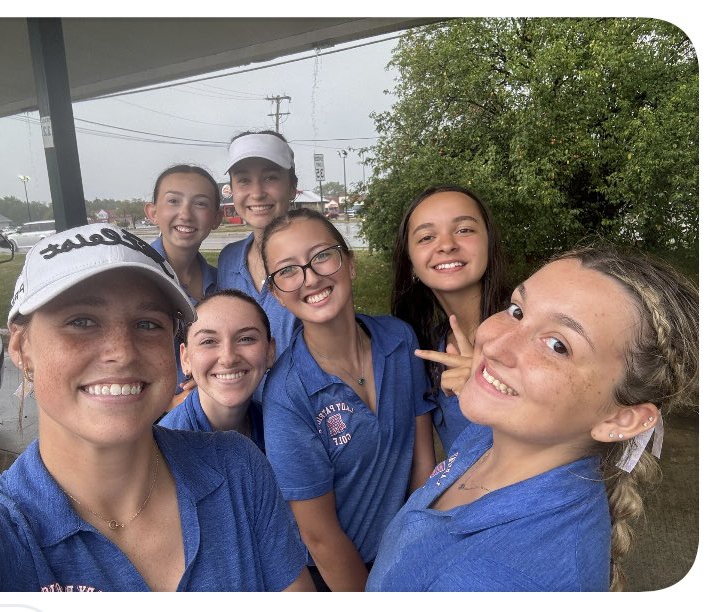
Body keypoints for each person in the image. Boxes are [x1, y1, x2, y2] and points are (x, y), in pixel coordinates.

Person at [0, 223, 313, 592]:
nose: (122, 352)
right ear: (21, 349)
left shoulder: (237, 469)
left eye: (147, 324)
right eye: (81, 321)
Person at [366, 245, 699, 591]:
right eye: (517, 310)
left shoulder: (500, 579)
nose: (494, 344)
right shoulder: (496, 436)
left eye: (558, 345)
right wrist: (485, 384)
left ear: (622, 420)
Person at [260, 208, 437, 591]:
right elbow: (319, 536)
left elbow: (422, 465)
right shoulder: (288, 395)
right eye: (288, 270)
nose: (310, 278)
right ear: (277, 294)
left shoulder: (400, 340)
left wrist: (423, 545)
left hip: (408, 550)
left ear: (350, 263)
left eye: (322, 255)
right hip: (341, 576)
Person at [391, 185, 508, 456]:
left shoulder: (527, 332)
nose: (446, 245)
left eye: (464, 230)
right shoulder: (429, 345)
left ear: (489, 242)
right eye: (426, 237)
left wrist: (492, 391)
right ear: (410, 264)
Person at [216, 130, 300, 371]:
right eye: (243, 180)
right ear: (231, 188)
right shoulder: (228, 260)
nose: (257, 193)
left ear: (292, 187)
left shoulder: (315, 259)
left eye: (270, 177)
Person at [144, 164, 223, 403]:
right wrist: (168, 403)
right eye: (173, 201)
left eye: (200, 203)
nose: (186, 214)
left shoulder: (224, 281)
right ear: (152, 212)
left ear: (217, 218)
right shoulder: (134, 279)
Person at [158, 289, 274, 452]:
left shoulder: (280, 425)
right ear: (186, 359)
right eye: (208, 341)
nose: (228, 358)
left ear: (270, 351)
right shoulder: (165, 451)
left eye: (246, 339)